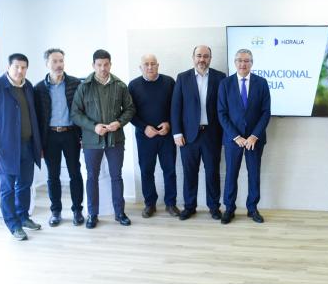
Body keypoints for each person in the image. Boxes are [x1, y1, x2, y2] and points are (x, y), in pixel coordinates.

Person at [0, 53, 42, 240]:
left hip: (28, 145)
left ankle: (23, 217)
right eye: (16, 67)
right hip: (5, 149)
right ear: (8, 67)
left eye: (23, 67)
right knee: (7, 189)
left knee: (25, 185)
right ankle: (13, 225)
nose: (20, 71)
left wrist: (38, 145)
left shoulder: (28, 86)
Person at [71, 49, 135, 228]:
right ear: (93, 65)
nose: (103, 68)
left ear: (110, 64)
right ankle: (92, 215)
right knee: (92, 177)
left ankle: (120, 213)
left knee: (116, 176)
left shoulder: (120, 86)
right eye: (99, 65)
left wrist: (119, 123)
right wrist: (94, 127)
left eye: (106, 64)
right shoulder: (84, 87)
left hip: (115, 140)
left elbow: (130, 109)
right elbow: (75, 114)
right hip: (91, 141)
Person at [172, 45, 226, 221]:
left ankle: (214, 207)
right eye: (199, 56)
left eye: (206, 56)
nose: (202, 59)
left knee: (212, 173)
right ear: (193, 57)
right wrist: (177, 133)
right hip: (189, 136)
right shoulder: (182, 78)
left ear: (210, 58)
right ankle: (189, 207)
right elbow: (176, 107)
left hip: (212, 134)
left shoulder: (220, 77)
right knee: (189, 173)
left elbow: (224, 108)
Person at [217, 48, 271, 224]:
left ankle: (252, 208)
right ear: (235, 63)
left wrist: (254, 135)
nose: (243, 64)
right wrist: (236, 136)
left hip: (255, 140)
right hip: (233, 140)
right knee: (231, 174)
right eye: (240, 60)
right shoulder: (225, 84)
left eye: (246, 60)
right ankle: (229, 209)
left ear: (252, 63)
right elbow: (222, 113)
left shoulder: (261, 83)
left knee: (254, 174)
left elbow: (266, 112)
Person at [34, 48, 84, 227]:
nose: (59, 65)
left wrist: (82, 135)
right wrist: (39, 144)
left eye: (61, 61)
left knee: (75, 173)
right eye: (54, 61)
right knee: (53, 176)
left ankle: (77, 210)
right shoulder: (39, 88)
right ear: (47, 63)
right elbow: (37, 118)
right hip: (50, 136)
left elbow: (82, 110)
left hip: (71, 134)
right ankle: (56, 212)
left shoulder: (75, 83)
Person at [128, 54, 178, 219]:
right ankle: (150, 203)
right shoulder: (133, 85)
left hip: (166, 135)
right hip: (145, 137)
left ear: (158, 65)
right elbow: (129, 113)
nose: (150, 67)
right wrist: (144, 128)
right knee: (146, 171)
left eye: (153, 64)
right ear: (140, 67)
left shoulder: (169, 82)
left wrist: (169, 124)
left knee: (169, 170)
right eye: (146, 64)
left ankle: (171, 203)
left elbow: (176, 107)